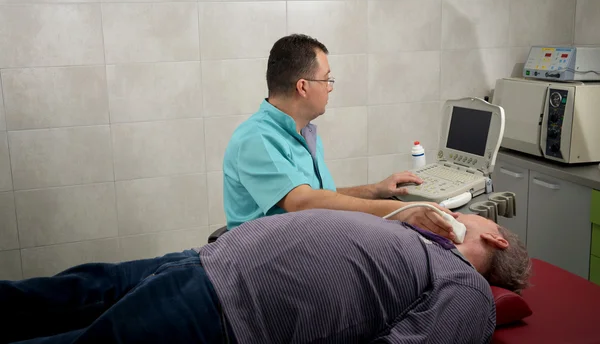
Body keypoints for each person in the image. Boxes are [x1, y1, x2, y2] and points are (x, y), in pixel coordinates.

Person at [1, 210, 531, 344]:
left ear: (496, 238)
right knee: (58, 296)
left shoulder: (467, 288)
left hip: (226, 308)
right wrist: (408, 215)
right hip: (202, 264)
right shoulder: (420, 237)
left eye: (489, 218)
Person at [223, 33, 453, 237]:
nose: (330, 87)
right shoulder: (257, 138)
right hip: (265, 260)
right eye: (326, 80)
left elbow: (317, 196)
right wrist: (402, 211)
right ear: (303, 87)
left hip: (303, 242)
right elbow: (303, 202)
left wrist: (375, 191)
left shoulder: (302, 132)